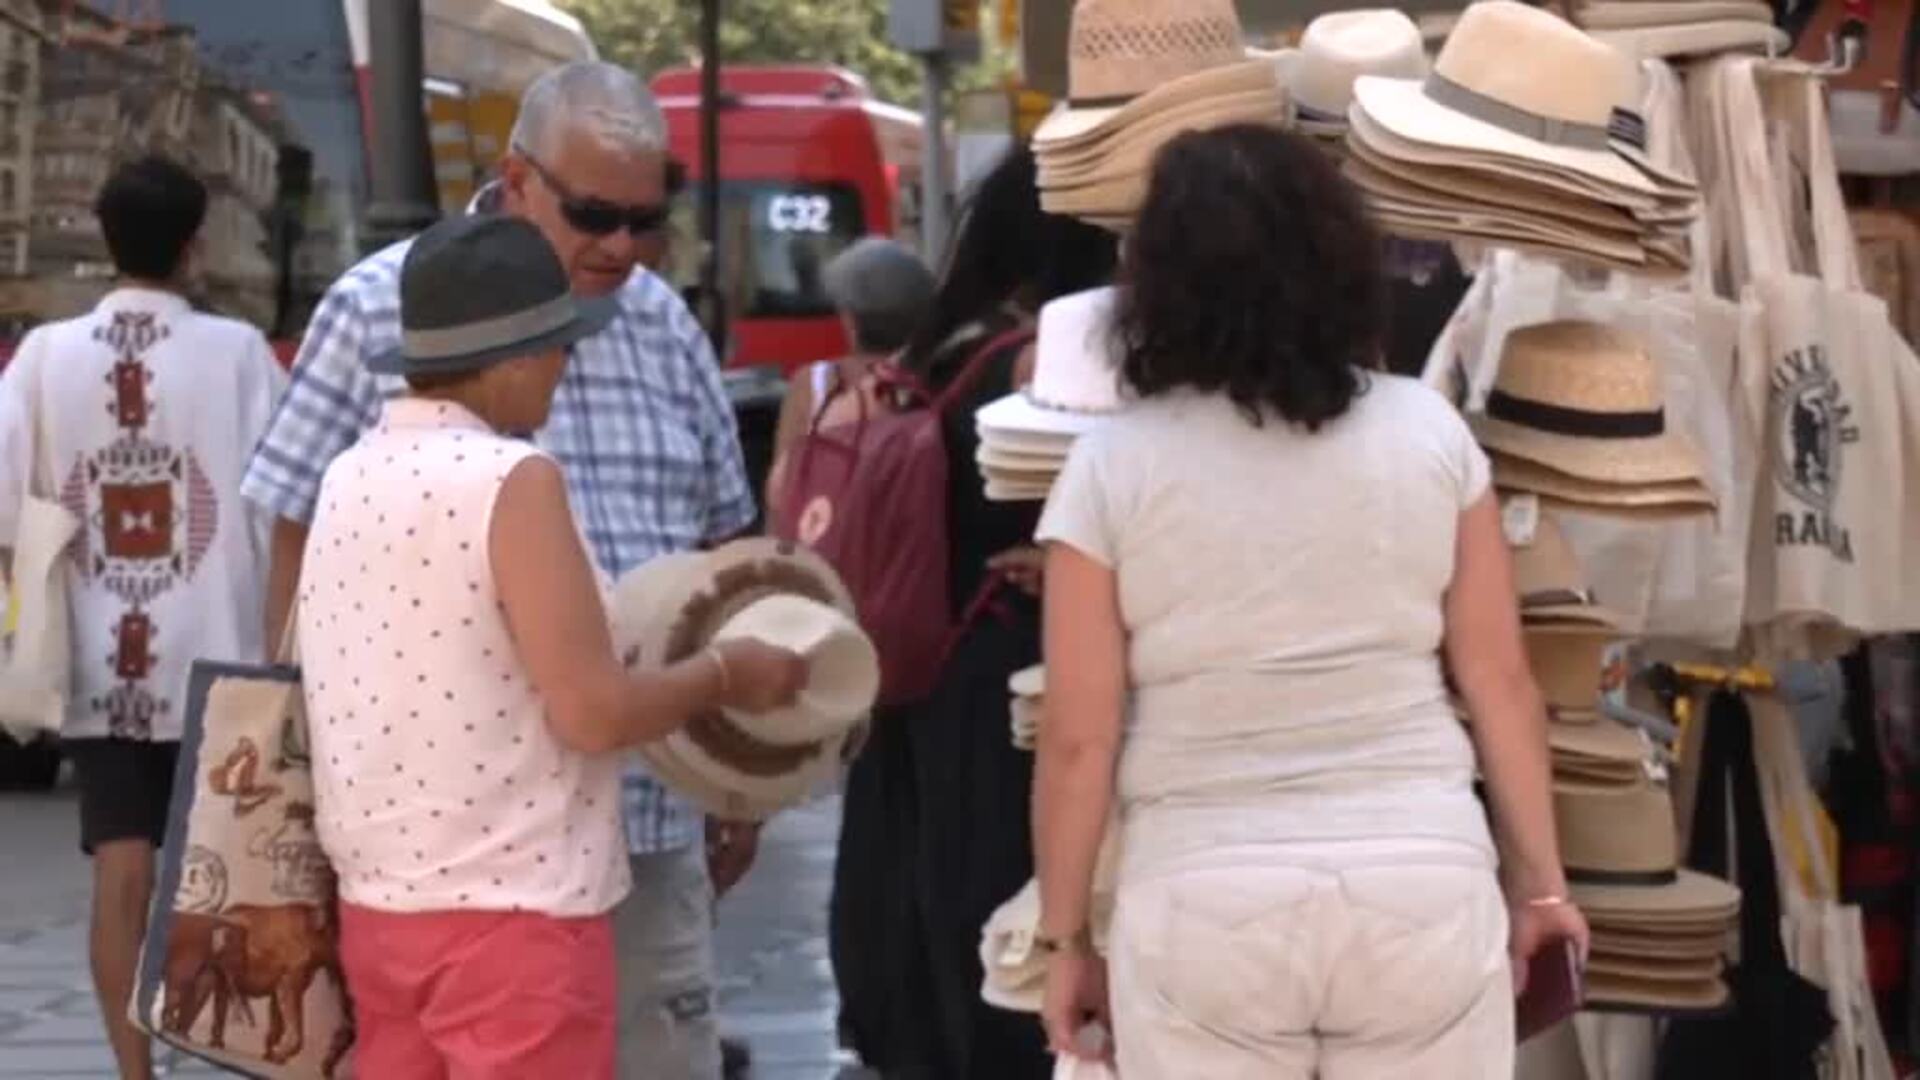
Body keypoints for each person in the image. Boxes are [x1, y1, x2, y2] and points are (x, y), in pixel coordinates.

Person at [1033, 125, 1588, 1078]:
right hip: (1421, 878)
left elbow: (1080, 737)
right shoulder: (1430, 433)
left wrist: (1064, 939)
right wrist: (1541, 889)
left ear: (1158, 284)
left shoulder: (1111, 469)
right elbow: (1498, 681)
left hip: (1203, 895)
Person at [242, 62, 757, 1078]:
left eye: (648, 221)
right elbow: (297, 561)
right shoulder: (377, 311)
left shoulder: (662, 323)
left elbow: (724, 546)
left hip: (637, 825)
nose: (623, 247)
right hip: (485, 864)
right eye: (597, 215)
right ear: (516, 178)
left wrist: (739, 779)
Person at [828, 146, 1118, 1079]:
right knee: (1011, 950)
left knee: (934, 934)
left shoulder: (939, 346)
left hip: (923, 674)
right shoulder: (1042, 363)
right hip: (1008, 686)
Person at [0, 156, 285, 1080]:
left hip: (97, 659)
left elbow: (8, 506)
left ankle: (136, 1074)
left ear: (102, 233)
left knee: (121, 874)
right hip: (222, 657)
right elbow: (280, 502)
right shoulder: (240, 353)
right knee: (233, 880)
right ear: (196, 244)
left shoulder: (44, 358)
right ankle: (243, 1051)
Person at [765, 236, 938, 513]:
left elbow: (782, 496)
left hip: (822, 549)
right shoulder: (933, 382)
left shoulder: (814, 383)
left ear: (850, 320)